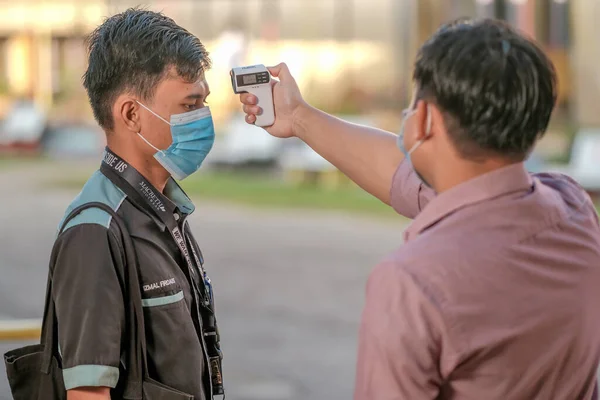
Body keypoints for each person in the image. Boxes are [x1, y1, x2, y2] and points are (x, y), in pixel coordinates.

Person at [239, 18, 600, 399]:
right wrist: (297, 116)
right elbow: (407, 177)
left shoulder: (414, 282)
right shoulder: (573, 211)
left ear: (425, 117)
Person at [53, 9, 223, 399]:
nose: (204, 118)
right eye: (189, 105)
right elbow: (88, 393)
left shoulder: (162, 210)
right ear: (131, 114)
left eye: (204, 102)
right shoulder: (96, 232)